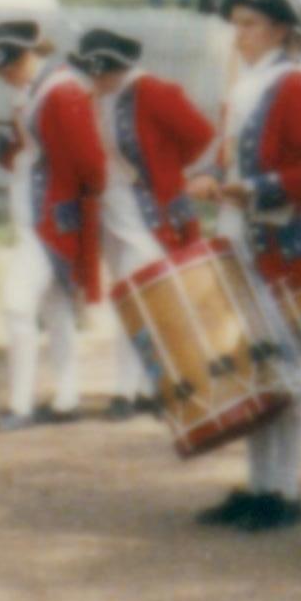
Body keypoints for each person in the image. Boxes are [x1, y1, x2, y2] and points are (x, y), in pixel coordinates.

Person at [197, 0, 301, 532]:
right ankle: (260, 483)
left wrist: (254, 189)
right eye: (235, 24)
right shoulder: (250, 80)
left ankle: (283, 491)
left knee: (283, 367)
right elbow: (231, 149)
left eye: (250, 25)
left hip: (283, 240)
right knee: (254, 365)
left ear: (282, 29)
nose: (238, 35)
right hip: (242, 233)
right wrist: (215, 177)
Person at [68, 26, 215, 418]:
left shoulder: (153, 92)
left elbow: (199, 134)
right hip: (111, 210)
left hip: (149, 210)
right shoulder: (92, 98)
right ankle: (154, 386)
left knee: (138, 297)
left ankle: (126, 391)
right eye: (91, 73)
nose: (96, 80)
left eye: (103, 72)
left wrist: (165, 170)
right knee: (131, 297)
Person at [0, 19, 106, 431]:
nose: (6, 73)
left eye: (12, 63)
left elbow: (89, 165)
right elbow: (32, 158)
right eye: (2, 68)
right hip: (39, 216)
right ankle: (67, 398)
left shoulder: (60, 92)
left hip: (52, 219)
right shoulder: (37, 92)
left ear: (33, 54)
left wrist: (70, 211)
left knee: (18, 303)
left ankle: (21, 404)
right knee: (56, 308)